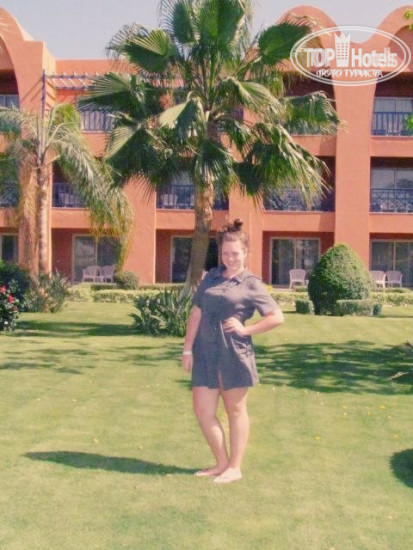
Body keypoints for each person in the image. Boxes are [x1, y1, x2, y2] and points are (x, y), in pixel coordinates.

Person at [181, 219, 285, 483]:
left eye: (235, 253)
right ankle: (221, 463)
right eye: (226, 253)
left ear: (245, 252)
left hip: (234, 353)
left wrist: (246, 329)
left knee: (235, 411)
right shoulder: (211, 277)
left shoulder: (251, 283)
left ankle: (235, 467)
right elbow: (196, 312)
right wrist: (187, 349)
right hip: (205, 353)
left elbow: (276, 317)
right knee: (203, 411)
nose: (230, 258)